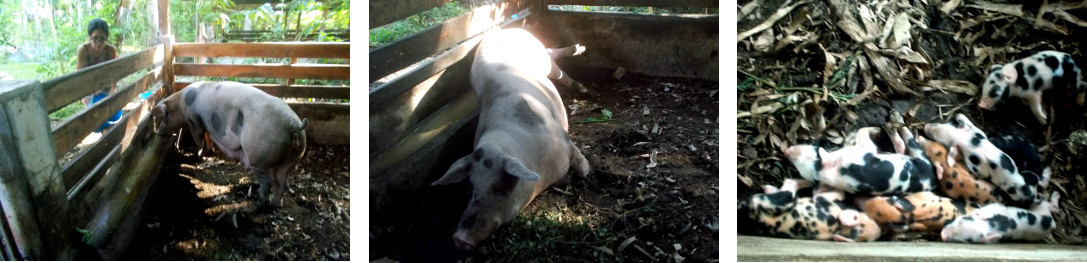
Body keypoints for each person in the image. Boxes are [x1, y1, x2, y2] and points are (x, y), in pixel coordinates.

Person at [77, 18, 121, 132]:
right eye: (95, 38)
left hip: (106, 87)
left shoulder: (111, 51)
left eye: (102, 39)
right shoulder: (83, 50)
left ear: (106, 37)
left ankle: (107, 135)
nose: (98, 43)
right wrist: (91, 89)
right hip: (88, 89)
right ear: (90, 37)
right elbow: (79, 77)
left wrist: (112, 91)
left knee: (109, 113)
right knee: (95, 117)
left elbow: (114, 74)